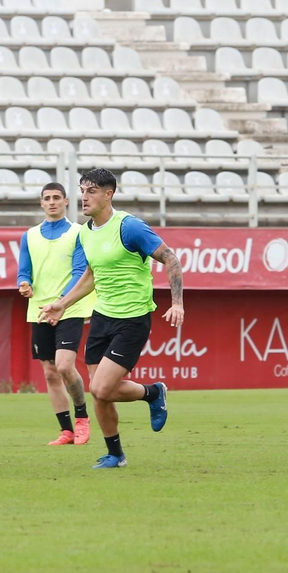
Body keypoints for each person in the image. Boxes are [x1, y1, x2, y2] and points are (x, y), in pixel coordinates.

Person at [38, 168, 184, 469]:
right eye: (82, 190)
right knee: (100, 394)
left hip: (132, 318)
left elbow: (170, 257)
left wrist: (177, 303)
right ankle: (115, 455)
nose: (84, 197)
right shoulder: (85, 232)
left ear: (109, 194)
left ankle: (153, 392)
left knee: (101, 388)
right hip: (102, 317)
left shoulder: (129, 227)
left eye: (91, 191)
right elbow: (92, 275)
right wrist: (63, 304)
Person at [18, 181, 94, 446]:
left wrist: (61, 302)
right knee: (50, 372)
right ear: (41, 203)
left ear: (66, 201)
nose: (52, 202)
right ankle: (66, 431)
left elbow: (80, 272)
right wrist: (24, 284)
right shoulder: (29, 235)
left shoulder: (78, 232)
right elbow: (24, 271)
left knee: (64, 365)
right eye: (47, 198)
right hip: (39, 310)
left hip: (69, 308)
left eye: (56, 197)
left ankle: (82, 418)